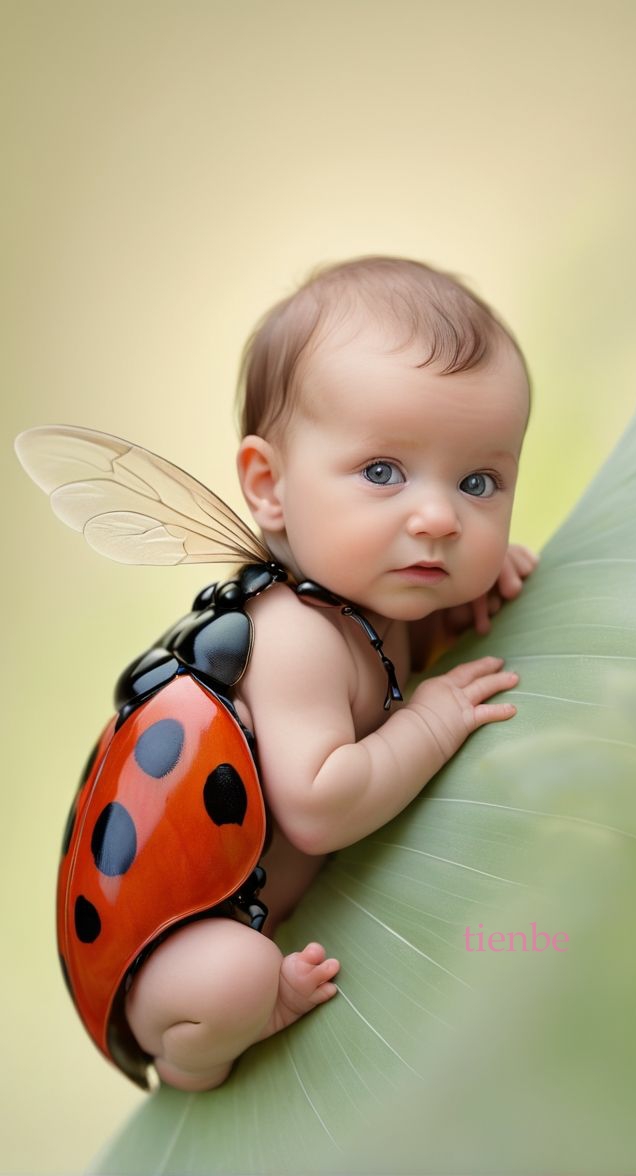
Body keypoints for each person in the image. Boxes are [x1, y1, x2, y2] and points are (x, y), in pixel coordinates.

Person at [124, 255, 537, 1091]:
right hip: (168, 936)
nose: (438, 517)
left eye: (479, 482)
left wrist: (461, 605)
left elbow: (390, 653)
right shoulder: (296, 635)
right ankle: (187, 1053)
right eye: (382, 472)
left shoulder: (368, 596)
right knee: (235, 977)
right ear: (270, 488)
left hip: (256, 911)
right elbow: (318, 803)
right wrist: (431, 718)